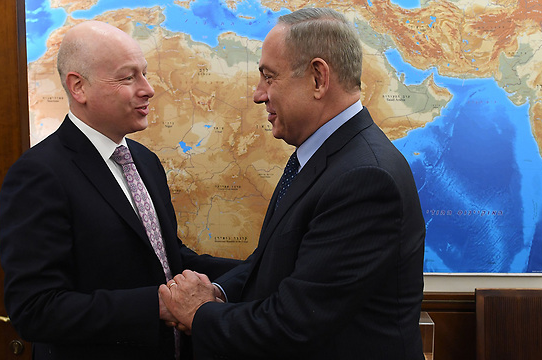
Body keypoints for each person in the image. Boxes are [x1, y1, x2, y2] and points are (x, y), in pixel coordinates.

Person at [159, 7, 426, 360]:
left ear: (318, 78)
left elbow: (295, 323)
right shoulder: (323, 155)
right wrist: (218, 293)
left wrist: (199, 313)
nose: (258, 94)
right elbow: (273, 264)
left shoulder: (365, 178)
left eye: (270, 77)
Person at [0, 21, 240, 360]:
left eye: (144, 73)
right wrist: (158, 304)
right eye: (129, 78)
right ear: (78, 87)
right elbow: (35, 309)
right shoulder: (39, 174)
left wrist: (261, 269)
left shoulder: (144, 161)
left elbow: (167, 259)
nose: (148, 89)